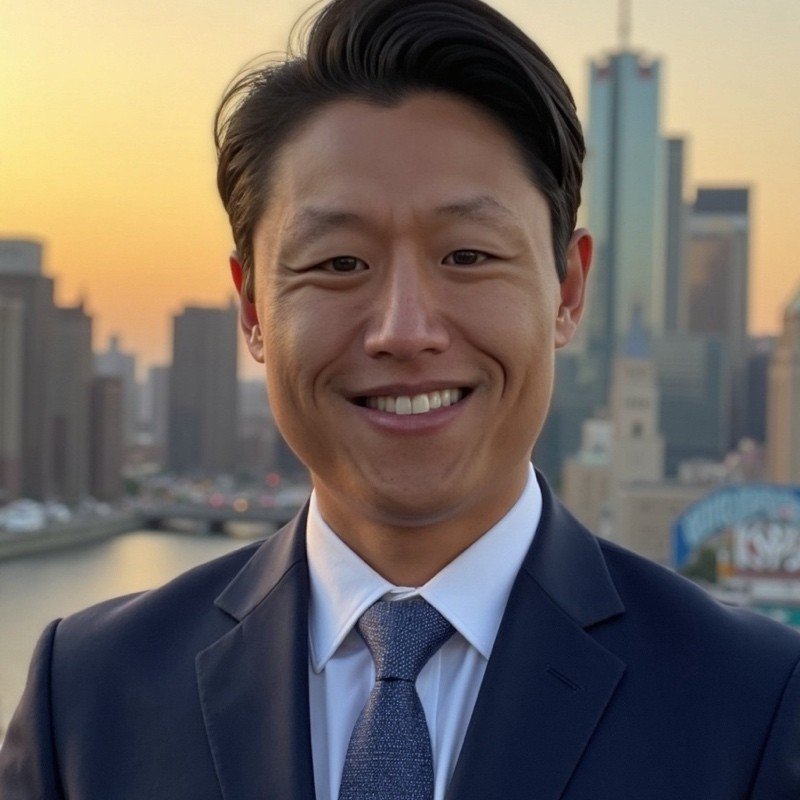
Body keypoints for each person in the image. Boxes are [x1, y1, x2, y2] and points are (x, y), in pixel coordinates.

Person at [2, 0, 799, 797]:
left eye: (467, 254)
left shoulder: (758, 704)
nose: (404, 330)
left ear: (567, 288)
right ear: (252, 309)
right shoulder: (86, 696)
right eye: (339, 264)